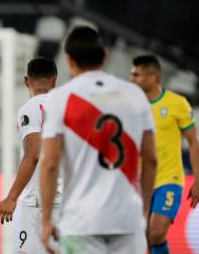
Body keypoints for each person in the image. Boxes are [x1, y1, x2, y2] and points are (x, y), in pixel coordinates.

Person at [40, 26, 157, 254]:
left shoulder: (59, 99)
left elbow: (51, 163)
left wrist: (45, 220)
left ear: (69, 61)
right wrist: (143, 213)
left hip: (81, 221)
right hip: (127, 220)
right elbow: (151, 159)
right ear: (105, 55)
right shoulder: (135, 95)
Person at [131, 55, 199, 254]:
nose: (132, 79)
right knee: (144, 239)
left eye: (137, 75)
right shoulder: (131, 106)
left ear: (152, 78)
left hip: (168, 179)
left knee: (156, 232)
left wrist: (198, 180)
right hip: (140, 182)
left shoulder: (177, 104)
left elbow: (193, 142)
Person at [0, 57, 62, 253]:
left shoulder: (32, 108)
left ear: (26, 81)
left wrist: (12, 197)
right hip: (66, 202)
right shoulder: (70, 106)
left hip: (37, 203)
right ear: (55, 81)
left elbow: (33, 154)